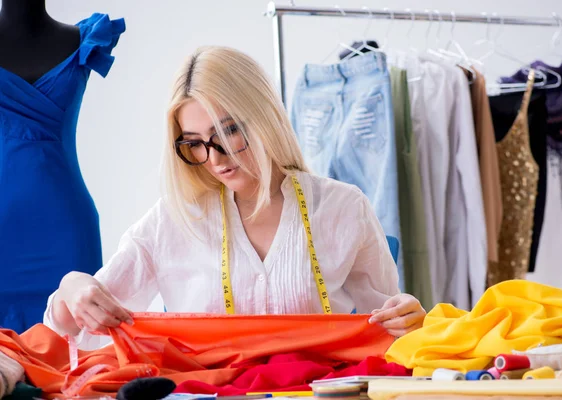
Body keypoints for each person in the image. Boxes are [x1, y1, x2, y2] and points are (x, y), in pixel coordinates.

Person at [43, 46, 426, 349]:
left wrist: (408, 316)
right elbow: (78, 329)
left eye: (228, 133)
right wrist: (71, 289)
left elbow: (388, 324)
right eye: (194, 144)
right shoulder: (173, 221)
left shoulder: (343, 208)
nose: (214, 159)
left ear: (263, 117)